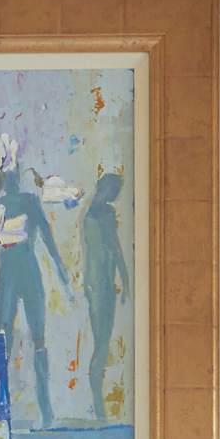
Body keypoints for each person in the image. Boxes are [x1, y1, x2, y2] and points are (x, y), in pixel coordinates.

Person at [0, 163, 69, 429]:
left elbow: (47, 237)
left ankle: (44, 410)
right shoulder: (2, 204)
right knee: (5, 342)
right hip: (15, 276)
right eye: (8, 175)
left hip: (19, 275)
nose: (10, 179)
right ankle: (2, 411)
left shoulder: (18, 202)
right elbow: (46, 237)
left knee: (34, 340)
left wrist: (62, 272)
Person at [80, 168, 130, 425]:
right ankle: (98, 408)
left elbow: (108, 250)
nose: (116, 196)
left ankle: (98, 407)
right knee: (101, 345)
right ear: (107, 188)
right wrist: (125, 279)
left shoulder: (91, 213)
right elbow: (113, 249)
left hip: (97, 286)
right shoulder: (101, 215)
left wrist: (124, 279)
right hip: (100, 287)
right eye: (115, 191)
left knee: (101, 345)